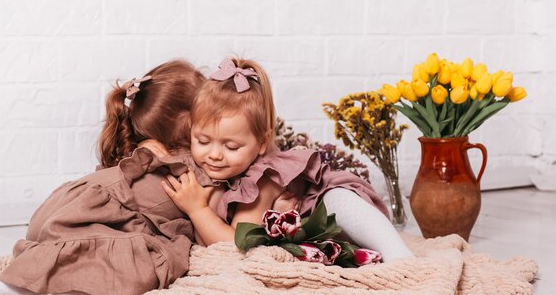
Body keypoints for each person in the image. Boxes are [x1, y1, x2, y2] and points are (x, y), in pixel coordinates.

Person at [0, 59, 211, 295]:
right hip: (78, 219)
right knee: (145, 263)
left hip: (59, 208)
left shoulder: (141, 152)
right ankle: (29, 284)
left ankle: (39, 271)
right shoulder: (190, 165)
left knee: (115, 246)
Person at [162, 57, 414, 262]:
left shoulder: (261, 180)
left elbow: (234, 244)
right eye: (202, 141)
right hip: (308, 234)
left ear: (261, 144)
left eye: (231, 146)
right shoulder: (215, 168)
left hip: (329, 203)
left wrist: (198, 210)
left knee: (338, 201)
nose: (214, 154)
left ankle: (401, 258)